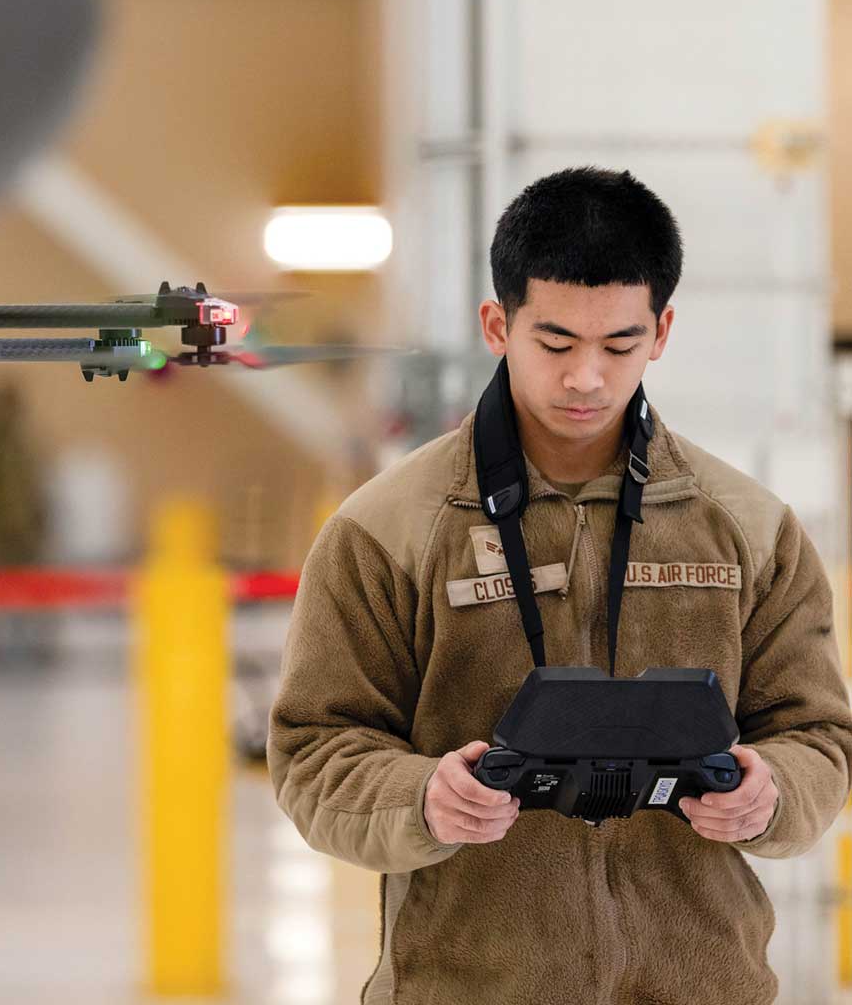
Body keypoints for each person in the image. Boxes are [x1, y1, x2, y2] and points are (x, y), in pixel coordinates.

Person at [267, 167, 852, 1004]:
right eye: (556, 343)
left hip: (703, 986)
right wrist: (421, 799)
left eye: (619, 345)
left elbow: (819, 735)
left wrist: (772, 793)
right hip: (465, 986)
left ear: (662, 331)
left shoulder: (749, 530)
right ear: (498, 324)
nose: (587, 378)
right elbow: (315, 748)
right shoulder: (387, 529)